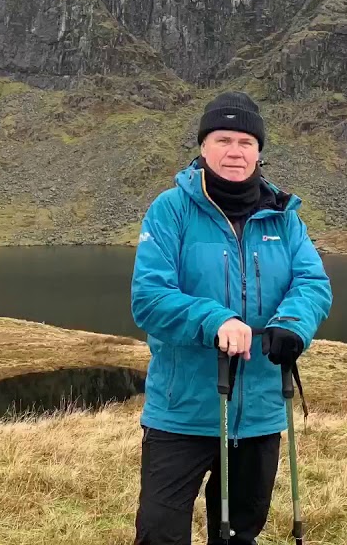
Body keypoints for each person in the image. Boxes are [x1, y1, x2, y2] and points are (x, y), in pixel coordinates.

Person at [130, 91, 333, 544]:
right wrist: (214, 319)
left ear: (259, 151)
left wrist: (294, 324)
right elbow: (149, 297)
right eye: (223, 139)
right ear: (203, 147)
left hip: (259, 411)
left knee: (239, 535)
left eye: (245, 141)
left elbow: (312, 283)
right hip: (182, 412)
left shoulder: (284, 217)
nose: (235, 151)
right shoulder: (171, 210)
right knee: (159, 534)